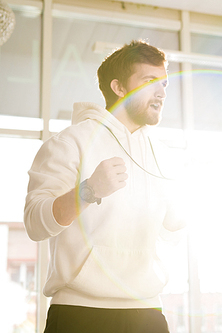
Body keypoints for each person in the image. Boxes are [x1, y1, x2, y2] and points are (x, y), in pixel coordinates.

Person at [24, 40, 186, 333]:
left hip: (148, 310)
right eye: (150, 81)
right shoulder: (69, 142)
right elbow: (35, 223)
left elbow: (169, 233)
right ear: (119, 88)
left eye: (164, 83)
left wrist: (180, 219)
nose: (161, 92)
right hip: (80, 312)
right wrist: (88, 191)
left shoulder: (164, 156)